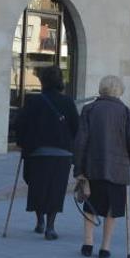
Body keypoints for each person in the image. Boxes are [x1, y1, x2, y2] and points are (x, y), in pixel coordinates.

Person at [74, 76, 130, 258]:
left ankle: (87, 244)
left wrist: (78, 169)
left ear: (101, 89)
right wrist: (128, 161)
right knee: (112, 208)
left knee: (90, 204)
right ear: (120, 91)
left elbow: (80, 142)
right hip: (118, 168)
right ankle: (105, 247)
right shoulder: (126, 112)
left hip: (92, 166)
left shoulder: (89, 109)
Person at [14, 66, 79, 240]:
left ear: (43, 81)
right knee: (55, 189)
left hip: (37, 152)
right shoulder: (68, 102)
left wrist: (22, 143)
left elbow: (19, 124)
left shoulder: (33, 101)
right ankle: (51, 226)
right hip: (61, 153)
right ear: (60, 82)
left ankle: (40, 220)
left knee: (37, 186)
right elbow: (76, 127)